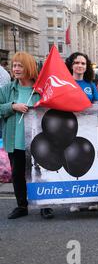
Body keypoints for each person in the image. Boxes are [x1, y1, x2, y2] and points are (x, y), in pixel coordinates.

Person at [0, 52, 54, 219]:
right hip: (15, 141)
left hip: (38, 141)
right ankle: (21, 206)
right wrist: (12, 106)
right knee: (17, 174)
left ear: (29, 67)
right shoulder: (7, 89)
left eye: (20, 66)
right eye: (14, 65)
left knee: (40, 173)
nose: (15, 69)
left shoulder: (40, 90)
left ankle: (44, 205)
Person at [64, 52, 98, 212]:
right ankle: (75, 200)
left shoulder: (91, 85)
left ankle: (91, 198)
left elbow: (97, 106)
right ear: (71, 65)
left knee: (90, 162)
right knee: (73, 162)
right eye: (77, 62)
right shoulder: (65, 83)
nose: (80, 66)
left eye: (83, 63)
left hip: (89, 130)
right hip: (70, 130)